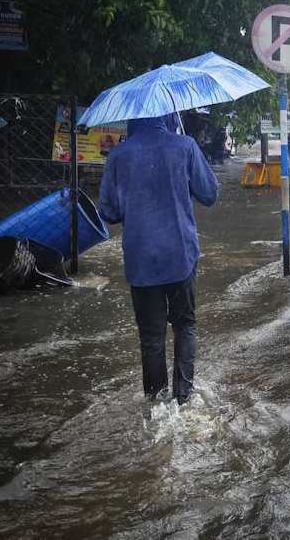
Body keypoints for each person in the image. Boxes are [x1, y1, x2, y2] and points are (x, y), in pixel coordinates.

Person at [98, 113, 219, 405]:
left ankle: (155, 405)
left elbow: (108, 212)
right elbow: (210, 193)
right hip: (181, 256)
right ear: (168, 115)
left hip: (141, 260)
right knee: (184, 326)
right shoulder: (185, 146)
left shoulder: (118, 155)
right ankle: (183, 399)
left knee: (151, 338)